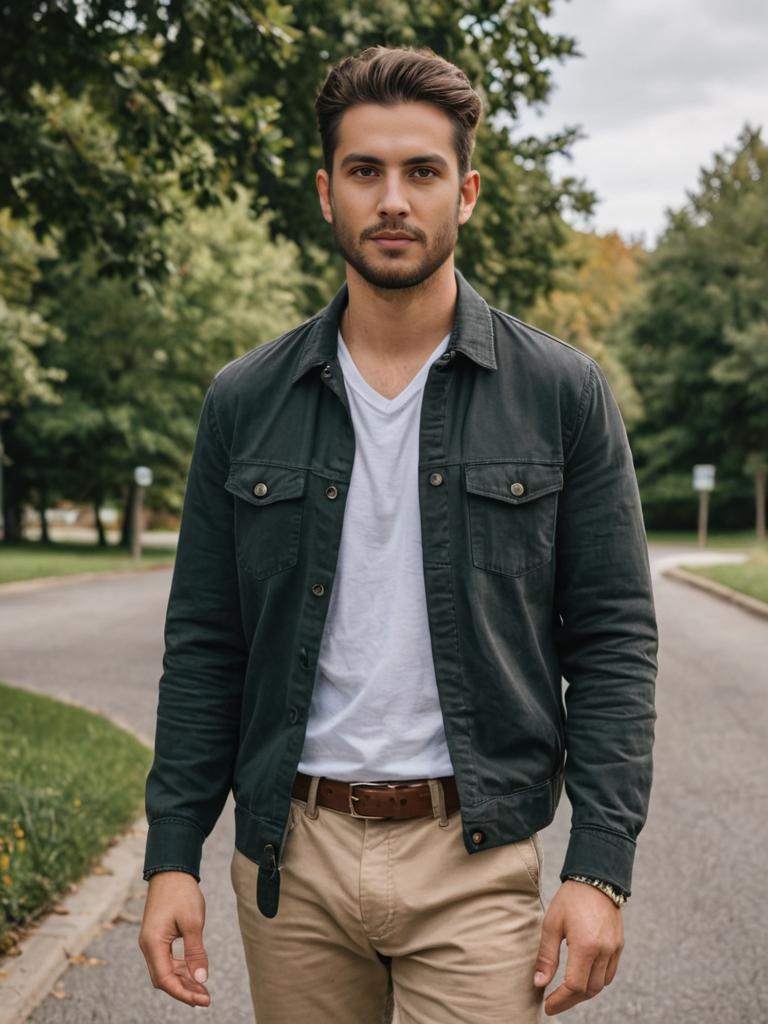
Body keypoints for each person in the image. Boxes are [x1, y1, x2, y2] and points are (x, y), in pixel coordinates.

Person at [138, 44, 658, 1023]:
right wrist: (171, 857)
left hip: (474, 854)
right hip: (293, 855)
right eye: (366, 171)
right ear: (327, 188)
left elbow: (614, 640)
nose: (392, 199)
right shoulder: (245, 401)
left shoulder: (560, 395)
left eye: (421, 172)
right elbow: (206, 643)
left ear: (464, 192)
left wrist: (600, 868)